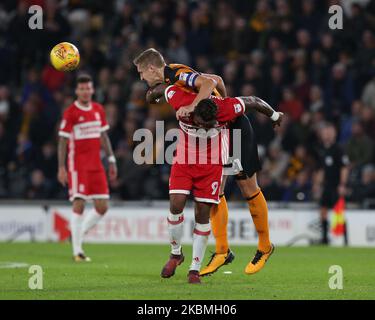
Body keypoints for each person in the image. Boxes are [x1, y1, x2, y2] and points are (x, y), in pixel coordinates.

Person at [134, 48, 279, 276]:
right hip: (212, 131)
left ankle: (265, 246)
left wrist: (215, 106)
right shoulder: (172, 83)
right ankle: (222, 251)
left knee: (247, 187)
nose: (142, 79)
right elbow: (213, 81)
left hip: (232, 127)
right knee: (214, 191)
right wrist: (153, 95)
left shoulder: (177, 74)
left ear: (152, 68)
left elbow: (213, 83)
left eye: (142, 74)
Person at [57, 74, 117, 261]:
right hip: (78, 166)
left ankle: (76, 234)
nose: (85, 91)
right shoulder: (71, 112)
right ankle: (78, 252)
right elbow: (62, 141)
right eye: (81, 88)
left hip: (97, 166)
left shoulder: (99, 110)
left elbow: (104, 137)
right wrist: (61, 167)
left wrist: (112, 159)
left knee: (102, 206)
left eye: (88, 88)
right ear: (77, 91)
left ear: (92, 90)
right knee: (79, 203)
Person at [315, 123, 350, 244]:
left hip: (336, 185)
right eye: (325, 132)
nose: (327, 134)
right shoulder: (323, 149)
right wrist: (317, 185)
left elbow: (344, 167)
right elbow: (321, 169)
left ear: (334, 134)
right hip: (326, 185)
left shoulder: (338, 149)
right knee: (323, 210)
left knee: (338, 211)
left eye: (329, 132)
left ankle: (345, 239)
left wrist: (342, 184)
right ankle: (324, 239)